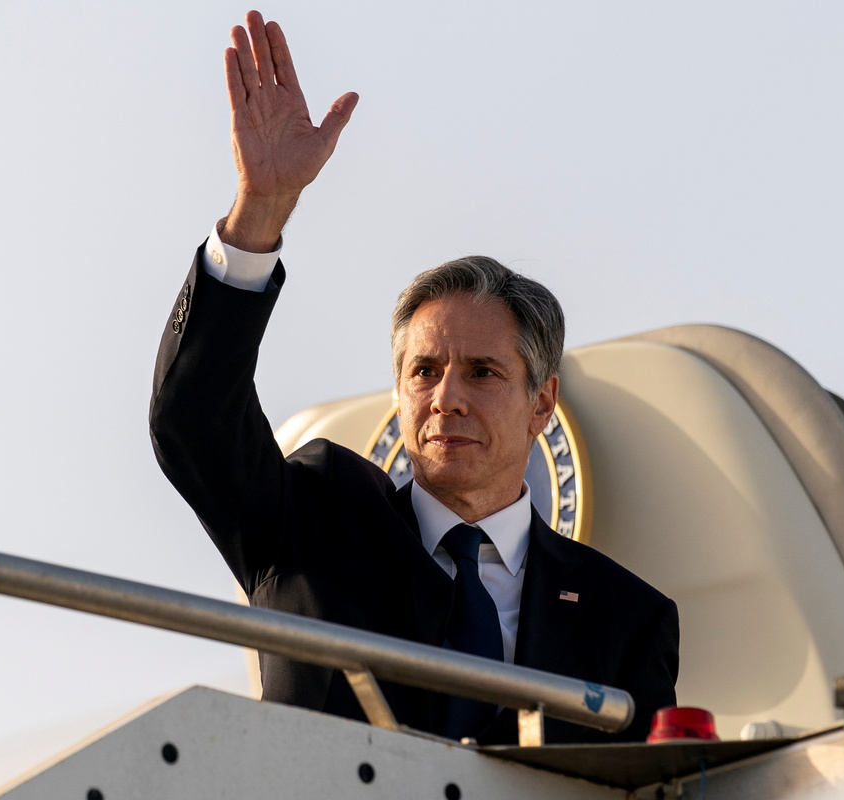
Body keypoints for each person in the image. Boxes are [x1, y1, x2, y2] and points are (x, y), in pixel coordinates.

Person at [150, 10, 678, 744]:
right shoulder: (312, 527)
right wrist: (260, 212)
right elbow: (195, 421)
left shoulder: (626, 616)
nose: (446, 399)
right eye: (424, 371)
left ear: (542, 403)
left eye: (483, 372)